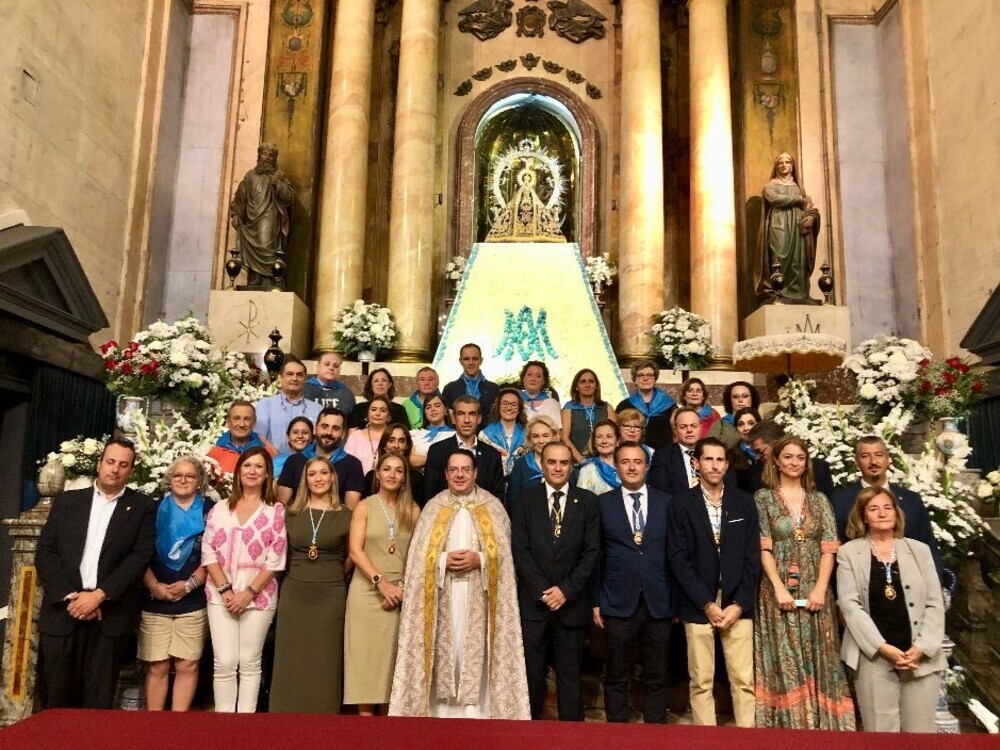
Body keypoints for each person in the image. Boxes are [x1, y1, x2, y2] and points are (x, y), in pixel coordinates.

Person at [388, 451, 530, 719]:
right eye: (454, 470)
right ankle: (439, 712)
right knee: (445, 651)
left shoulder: (493, 506)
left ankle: (477, 712)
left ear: (475, 472)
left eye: (465, 469)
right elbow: (417, 559)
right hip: (444, 595)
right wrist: (441, 560)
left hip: (480, 594)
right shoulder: (433, 507)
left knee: (474, 651)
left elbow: (507, 559)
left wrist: (481, 559)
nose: (460, 475)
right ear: (446, 474)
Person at [36, 439, 156, 709]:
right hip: (63, 614)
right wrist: (72, 598)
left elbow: (139, 557)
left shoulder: (142, 507)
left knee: (97, 707)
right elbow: (46, 551)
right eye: (110, 462)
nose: (115, 469)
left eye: (123, 465)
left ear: (131, 471)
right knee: (56, 703)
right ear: (99, 463)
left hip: (108, 617)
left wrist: (100, 596)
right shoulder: (68, 501)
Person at [753, 436, 854, 729]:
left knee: (818, 653)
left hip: (816, 586)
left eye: (800, 457)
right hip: (776, 587)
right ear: (776, 461)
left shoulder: (819, 499)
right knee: (785, 654)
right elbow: (764, 548)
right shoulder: (763, 498)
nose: (794, 462)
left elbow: (828, 547)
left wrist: (821, 588)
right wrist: (779, 587)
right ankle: (790, 725)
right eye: (788, 457)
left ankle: (822, 725)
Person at [837, 486, 946, 733]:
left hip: (920, 658)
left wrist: (922, 647)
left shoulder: (920, 550)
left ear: (897, 513)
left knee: (920, 736)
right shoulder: (849, 553)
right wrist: (882, 648)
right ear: (863, 516)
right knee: (880, 735)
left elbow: (934, 601)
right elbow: (849, 605)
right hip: (873, 657)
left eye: (888, 507)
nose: (882, 513)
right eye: (874, 509)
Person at [668, 438, 759, 727]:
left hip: (737, 605)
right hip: (699, 605)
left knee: (743, 681)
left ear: (727, 465)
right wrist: (706, 603)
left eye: (720, 460)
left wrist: (739, 603)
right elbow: (678, 558)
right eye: (708, 459)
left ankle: (748, 742)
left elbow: (752, 558)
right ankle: (705, 741)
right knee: (701, 680)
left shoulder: (744, 502)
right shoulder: (681, 503)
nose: (714, 465)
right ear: (696, 463)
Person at [511, 441, 600, 721]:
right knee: (532, 676)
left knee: (570, 677)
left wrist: (565, 590)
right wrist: (544, 591)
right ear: (542, 464)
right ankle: (530, 733)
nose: (558, 468)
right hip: (534, 606)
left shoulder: (588, 502)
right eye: (552, 462)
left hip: (571, 606)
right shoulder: (526, 499)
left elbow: (592, 552)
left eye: (564, 463)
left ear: (571, 466)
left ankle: (572, 737)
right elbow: (520, 550)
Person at [201, 447, 287, 713]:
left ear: (266, 475)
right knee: (224, 661)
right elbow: (208, 551)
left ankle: (246, 724)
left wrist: (248, 593)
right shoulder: (219, 509)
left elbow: (276, 558)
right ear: (238, 472)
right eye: (247, 466)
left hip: (258, 596)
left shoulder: (275, 511)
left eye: (259, 467)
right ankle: (224, 724)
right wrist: (227, 591)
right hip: (220, 595)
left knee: (250, 661)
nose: (252, 471)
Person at [593, 442, 674, 724]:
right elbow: (596, 555)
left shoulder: (667, 502)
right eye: (625, 462)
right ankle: (617, 733)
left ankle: (655, 734)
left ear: (647, 467)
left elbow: (675, 554)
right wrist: (595, 601)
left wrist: (675, 598)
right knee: (616, 674)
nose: (631, 467)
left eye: (637, 462)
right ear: (617, 467)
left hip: (659, 601)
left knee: (657, 675)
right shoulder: (603, 503)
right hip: (617, 600)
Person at [270, 457, 352, 713]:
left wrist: (332, 574)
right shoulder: (291, 512)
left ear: (332, 477)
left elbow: (352, 555)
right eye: (312, 474)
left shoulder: (346, 514)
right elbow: (284, 554)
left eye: (323, 473)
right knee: (292, 657)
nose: (318, 478)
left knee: (324, 659)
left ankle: (323, 718)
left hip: (330, 593)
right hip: (295, 592)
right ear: (305, 479)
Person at [345, 453, 420, 714]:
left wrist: (400, 589)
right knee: (364, 658)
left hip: (399, 594)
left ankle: (389, 725)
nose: (392, 474)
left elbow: (417, 554)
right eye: (386, 469)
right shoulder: (364, 506)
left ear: (404, 477)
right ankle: (364, 721)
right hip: (367, 591)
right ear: (377, 473)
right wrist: (381, 583)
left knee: (391, 662)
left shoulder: (413, 510)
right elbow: (355, 551)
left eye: (398, 470)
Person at [140, 456, 214, 712]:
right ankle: (155, 725)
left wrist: (190, 584)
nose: (183, 480)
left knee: (187, 664)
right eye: (178, 475)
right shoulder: (152, 509)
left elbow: (214, 554)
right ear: (169, 479)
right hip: (155, 597)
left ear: (200, 481)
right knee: (158, 665)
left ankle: (177, 725)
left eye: (190, 476)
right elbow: (138, 554)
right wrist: (154, 586)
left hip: (193, 599)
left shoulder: (210, 509)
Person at [830, 436, 943, 578]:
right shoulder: (839, 500)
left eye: (879, 455)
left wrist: (936, 586)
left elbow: (929, 545)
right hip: (859, 580)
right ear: (856, 462)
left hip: (910, 579)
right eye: (865, 456)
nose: (873, 462)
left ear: (888, 459)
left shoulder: (911, 500)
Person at [755, 151, 822, 305]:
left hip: (798, 226)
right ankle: (779, 291)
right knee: (780, 256)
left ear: (792, 166)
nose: (784, 165)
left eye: (787, 162)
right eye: (781, 163)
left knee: (798, 260)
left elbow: (810, 206)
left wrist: (811, 217)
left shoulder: (799, 187)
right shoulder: (770, 186)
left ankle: (799, 293)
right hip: (779, 222)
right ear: (776, 166)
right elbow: (775, 199)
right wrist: (798, 199)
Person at [229, 142, 294, 290]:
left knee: (267, 246)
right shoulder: (250, 175)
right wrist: (235, 214)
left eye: (271, 156)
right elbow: (239, 197)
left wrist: (278, 185)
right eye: (264, 154)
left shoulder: (278, 175)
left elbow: (289, 198)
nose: (267, 158)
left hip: (269, 217)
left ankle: (271, 279)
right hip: (252, 220)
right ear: (259, 155)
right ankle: (255, 277)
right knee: (253, 245)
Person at [277, 407, 365, 510]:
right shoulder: (293, 461)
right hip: (298, 521)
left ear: (343, 434)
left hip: (336, 523)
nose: (329, 432)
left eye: (335, 428)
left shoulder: (353, 464)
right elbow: (282, 506)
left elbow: (351, 510)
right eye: (324, 426)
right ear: (315, 429)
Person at [424, 395, 505, 500]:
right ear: (453, 418)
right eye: (461, 414)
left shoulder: (492, 455)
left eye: (472, 414)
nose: (467, 420)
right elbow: (430, 494)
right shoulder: (437, 451)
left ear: (479, 419)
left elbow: (498, 497)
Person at [747, 420, 835, 497]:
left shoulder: (818, 469)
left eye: (760, 451)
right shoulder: (758, 470)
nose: (758, 456)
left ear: (775, 444)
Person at [255, 356, 322, 454]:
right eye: (290, 374)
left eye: (299, 375)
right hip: (274, 464)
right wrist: (279, 460)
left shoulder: (318, 410)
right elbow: (259, 437)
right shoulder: (265, 405)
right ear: (280, 377)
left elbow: (320, 443)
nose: (294, 378)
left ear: (305, 379)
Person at [362, 423, 426, 507]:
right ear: (384, 445)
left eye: (401, 441)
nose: (396, 446)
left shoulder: (417, 478)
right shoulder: (371, 477)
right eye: (391, 440)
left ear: (407, 446)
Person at [616, 359, 675, 450]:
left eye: (650, 375)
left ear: (655, 379)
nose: (645, 378)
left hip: (664, 454)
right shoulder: (624, 405)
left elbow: (675, 432)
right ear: (634, 380)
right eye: (640, 375)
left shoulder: (669, 404)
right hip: (632, 452)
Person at [561, 368, 616, 464]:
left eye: (591, 381)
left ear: (596, 386)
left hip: (605, 462)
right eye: (583, 382)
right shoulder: (568, 409)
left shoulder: (607, 408)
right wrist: (581, 460)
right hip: (577, 462)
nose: (587, 385)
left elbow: (614, 436)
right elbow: (564, 438)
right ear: (576, 386)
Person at [208, 400, 276, 474]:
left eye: (247, 419)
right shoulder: (214, 453)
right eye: (236, 418)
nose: (242, 424)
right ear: (228, 422)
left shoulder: (267, 452)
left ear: (254, 423)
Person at [506, 415, 559, 511]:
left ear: (554, 436)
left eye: (545, 436)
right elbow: (512, 501)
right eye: (536, 436)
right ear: (529, 439)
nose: (541, 441)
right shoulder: (521, 465)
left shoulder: (564, 462)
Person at [649, 407, 704, 494]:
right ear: (675, 430)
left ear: (701, 428)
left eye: (694, 426)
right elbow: (661, 492)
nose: (689, 430)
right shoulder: (662, 456)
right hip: (678, 505)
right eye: (683, 427)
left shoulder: (712, 452)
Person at [441, 343, 501, 418]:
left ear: (481, 361)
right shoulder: (449, 389)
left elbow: (497, 417)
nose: (471, 363)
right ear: (460, 361)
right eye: (466, 359)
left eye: (475, 359)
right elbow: (445, 418)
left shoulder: (494, 389)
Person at [479, 387, 527, 475]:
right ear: (498, 406)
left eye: (513, 404)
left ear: (519, 409)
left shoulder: (528, 435)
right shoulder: (485, 435)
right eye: (505, 404)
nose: (509, 408)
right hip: (493, 482)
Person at [344, 396, 392, 474]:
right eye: (373, 409)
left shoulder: (393, 437)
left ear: (389, 416)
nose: (378, 413)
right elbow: (347, 464)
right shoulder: (355, 436)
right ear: (367, 413)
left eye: (383, 410)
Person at [708, 381, 761, 450]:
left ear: (752, 399)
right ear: (730, 400)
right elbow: (709, 450)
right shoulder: (720, 425)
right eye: (735, 397)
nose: (740, 400)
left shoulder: (761, 423)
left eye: (745, 396)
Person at [303, 351, 357, 418]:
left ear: (339, 370)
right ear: (317, 367)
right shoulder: (304, 389)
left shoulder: (347, 394)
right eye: (327, 364)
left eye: (336, 366)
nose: (331, 368)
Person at [575, 419, 621, 495]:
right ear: (594, 442)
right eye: (599, 437)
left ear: (618, 441)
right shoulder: (587, 470)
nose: (604, 441)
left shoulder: (626, 467)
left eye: (609, 436)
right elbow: (583, 503)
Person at [409, 393, 454, 469]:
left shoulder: (455, 435)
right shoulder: (414, 434)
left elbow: (454, 461)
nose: (433, 409)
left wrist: (421, 460)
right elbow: (409, 460)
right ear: (424, 413)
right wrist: (438, 460)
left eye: (437, 405)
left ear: (446, 410)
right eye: (428, 407)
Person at [727, 407, 762, 494]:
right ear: (736, 428)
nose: (746, 428)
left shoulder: (767, 451)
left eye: (751, 423)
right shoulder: (730, 455)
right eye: (741, 424)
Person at [519, 360, 562, 424]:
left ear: (543, 381)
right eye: (529, 375)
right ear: (523, 378)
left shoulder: (551, 403)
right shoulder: (514, 400)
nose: (533, 379)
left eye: (538, 376)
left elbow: (556, 430)